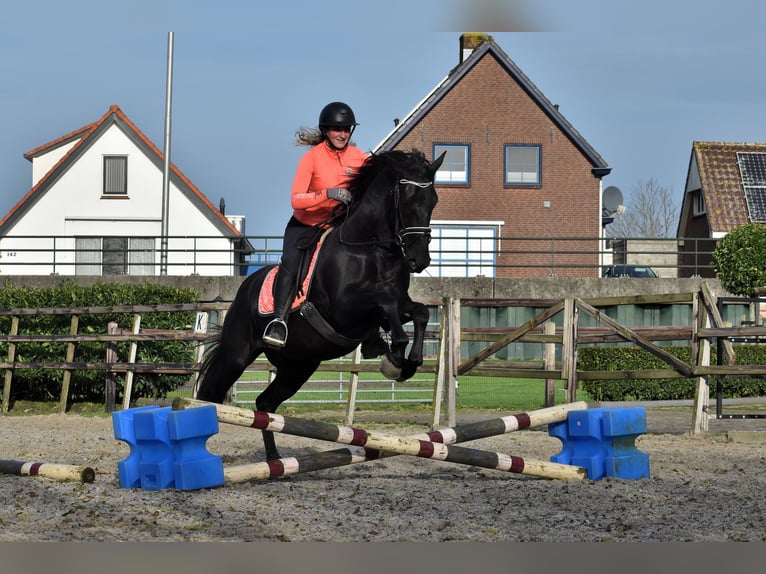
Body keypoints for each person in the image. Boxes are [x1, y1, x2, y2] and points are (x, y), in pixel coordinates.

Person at [262, 101, 369, 347]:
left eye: (346, 129)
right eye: (336, 129)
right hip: (305, 227)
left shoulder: (359, 158)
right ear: (325, 131)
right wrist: (328, 194)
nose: (342, 134)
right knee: (289, 264)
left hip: (339, 227)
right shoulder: (312, 158)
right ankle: (278, 321)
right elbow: (296, 200)